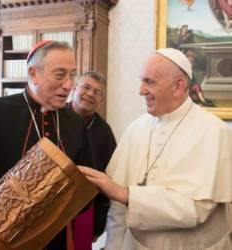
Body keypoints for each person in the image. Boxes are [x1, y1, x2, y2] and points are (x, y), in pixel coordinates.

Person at [0, 40, 97, 250]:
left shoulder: (75, 124)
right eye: (60, 74)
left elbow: (84, 189)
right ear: (33, 73)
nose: (69, 84)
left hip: (53, 242)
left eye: (72, 75)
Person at [79, 48, 232, 250]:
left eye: (149, 82)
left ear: (178, 86)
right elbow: (117, 208)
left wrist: (128, 195)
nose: (141, 90)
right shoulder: (136, 128)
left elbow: (196, 210)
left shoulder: (214, 132)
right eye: (142, 81)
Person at [68, 71, 116, 250]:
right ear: (74, 88)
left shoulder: (105, 133)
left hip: (84, 208)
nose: (90, 94)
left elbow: (107, 180)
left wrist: (99, 222)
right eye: (86, 87)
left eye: (97, 92)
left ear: (101, 100)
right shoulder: (55, 116)